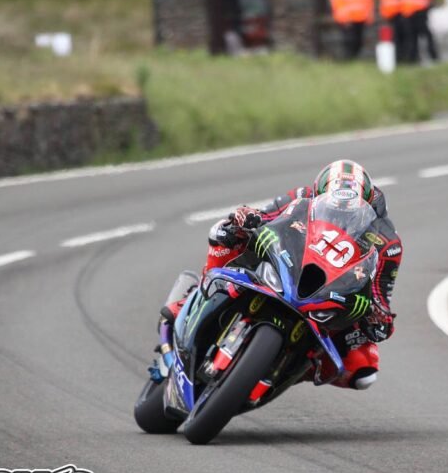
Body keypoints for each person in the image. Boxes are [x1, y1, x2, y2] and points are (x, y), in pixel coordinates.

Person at [161, 160, 402, 391]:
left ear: (366, 204)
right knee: (226, 233)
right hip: (287, 264)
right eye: (333, 208)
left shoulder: (387, 242)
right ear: (319, 194)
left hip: (332, 294)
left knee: (364, 371)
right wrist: (244, 219)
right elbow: (264, 216)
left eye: (349, 213)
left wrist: (379, 316)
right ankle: (196, 294)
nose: (341, 217)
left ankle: (300, 366)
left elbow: (381, 293)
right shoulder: (301, 196)